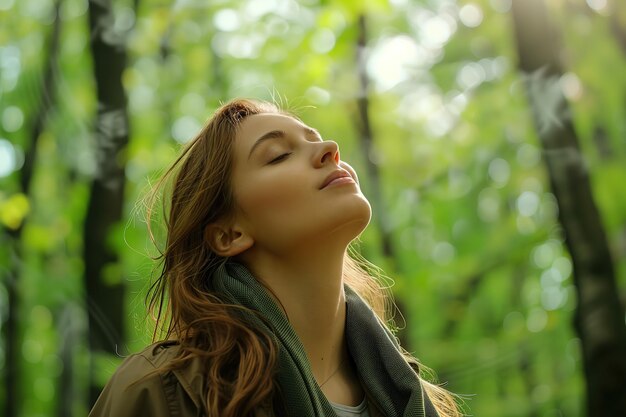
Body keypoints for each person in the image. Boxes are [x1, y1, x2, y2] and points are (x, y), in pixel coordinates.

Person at [89, 99, 461, 417]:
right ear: (229, 234)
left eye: (316, 140)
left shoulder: (411, 397)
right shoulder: (165, 393)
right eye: (279, 155)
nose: (330, 148)